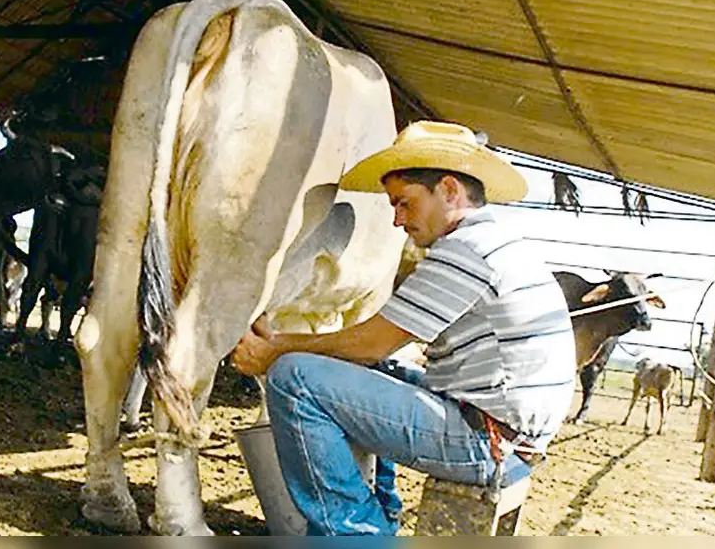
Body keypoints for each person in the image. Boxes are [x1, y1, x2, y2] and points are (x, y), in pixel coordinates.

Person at [231, 120, 576, 536]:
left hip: (488, 442)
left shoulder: (466, 250)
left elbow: (372, 342)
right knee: (370, 371)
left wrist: (275, 352)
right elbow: (372, 351)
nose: (397, 220)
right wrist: (286, 344)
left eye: (405, 203)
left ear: (449, 190)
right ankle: (384, 511)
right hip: (505, 432)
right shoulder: (496, 241)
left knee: (296, 379)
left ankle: (357, 537)